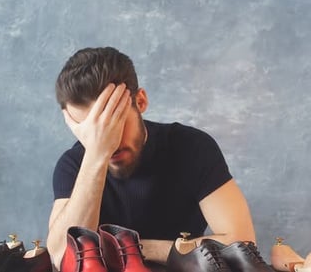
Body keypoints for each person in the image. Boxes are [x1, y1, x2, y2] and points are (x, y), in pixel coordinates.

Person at [47, 47, 256, 271]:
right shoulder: (73, 164)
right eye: (90, 131)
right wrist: (96, 155)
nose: (109, 141)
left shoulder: (192, 147)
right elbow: (62, 258)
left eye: (114, 124)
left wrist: (135, 249)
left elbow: (243, 246)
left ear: (141, 101)